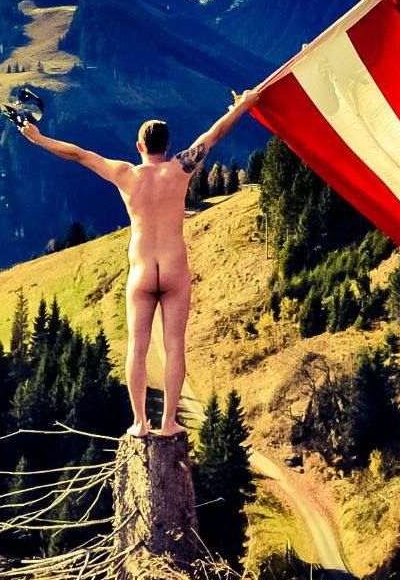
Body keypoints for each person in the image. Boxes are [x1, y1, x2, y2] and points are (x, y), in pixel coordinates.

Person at [18, 91, 258, 437]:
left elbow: (78, 154)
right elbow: (216, 132)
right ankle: (169, 421)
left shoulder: (124, 174)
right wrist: (244, 105)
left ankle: (140, 422)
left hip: (141, 270)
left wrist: (39, 139)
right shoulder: (181, 167)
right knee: (174, 346)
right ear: (168, 145)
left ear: (139, 146)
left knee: (138, 347)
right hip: (174, 268)